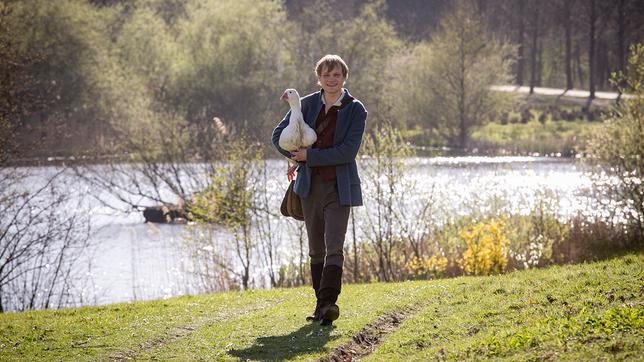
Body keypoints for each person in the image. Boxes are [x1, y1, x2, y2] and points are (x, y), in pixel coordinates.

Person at [272, 54, 367, 326]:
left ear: (344, 77)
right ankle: (321, 307)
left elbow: (348, 151)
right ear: (319, 78)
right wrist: (293, 155)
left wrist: (309, 157)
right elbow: (277, 137)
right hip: (309, 187)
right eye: (326, 75)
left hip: (340, 187)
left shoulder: (356, 109)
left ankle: (328, 302)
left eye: (336, 74)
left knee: (334, 245)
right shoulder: (306, 104)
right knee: (316, 250)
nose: (331, 79)